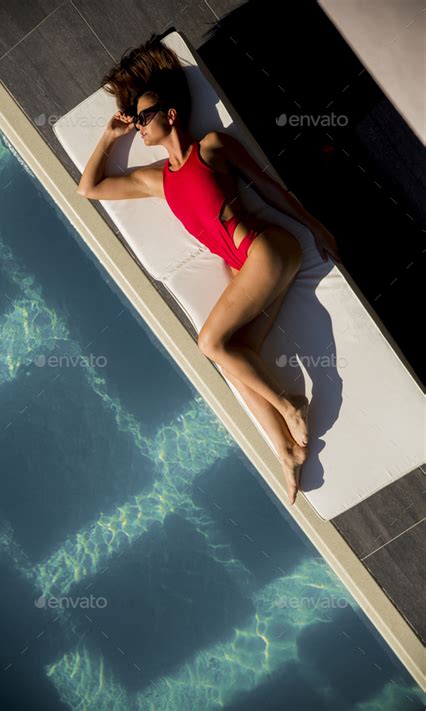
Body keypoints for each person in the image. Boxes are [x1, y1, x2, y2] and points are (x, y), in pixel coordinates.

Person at [77, 35, 342, 507]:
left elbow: (269, 188)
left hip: (267, 248)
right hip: (253, 269)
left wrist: (316, 225)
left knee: (209, 342)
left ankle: (290, 406)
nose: (137, 126)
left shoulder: (212, 148)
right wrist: (108, 136)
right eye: (134, 120)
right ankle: (283, 450)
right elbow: (89, 188)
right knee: (234, 356)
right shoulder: (156, 179)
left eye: (142, 117)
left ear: (170, 115)